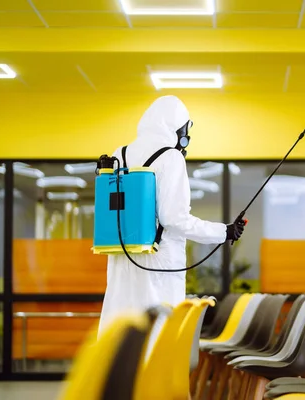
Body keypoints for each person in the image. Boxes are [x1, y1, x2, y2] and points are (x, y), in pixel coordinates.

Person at [98, 95, 245, 337]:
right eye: (185, 129)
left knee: (122, 335)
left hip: (122, 259)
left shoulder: (119, 153)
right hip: (159, 264)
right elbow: (174, 219)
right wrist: (224, 231)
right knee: (156, 336)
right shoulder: (171, 158)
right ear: (175, 127)